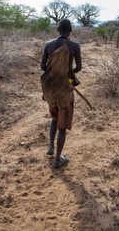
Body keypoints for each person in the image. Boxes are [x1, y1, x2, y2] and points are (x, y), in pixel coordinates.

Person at [40, 19, 82, 168]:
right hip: (66, 89)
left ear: (58, 29)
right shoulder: (75, 46)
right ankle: (58, 159)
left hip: (51, 89)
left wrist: (56, 73)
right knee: (62, 126)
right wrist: (68, 73)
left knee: (54, 118)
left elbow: (43, 66)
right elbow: (78, 68)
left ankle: (50, 147)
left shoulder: (48, 45)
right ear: (70, 29)